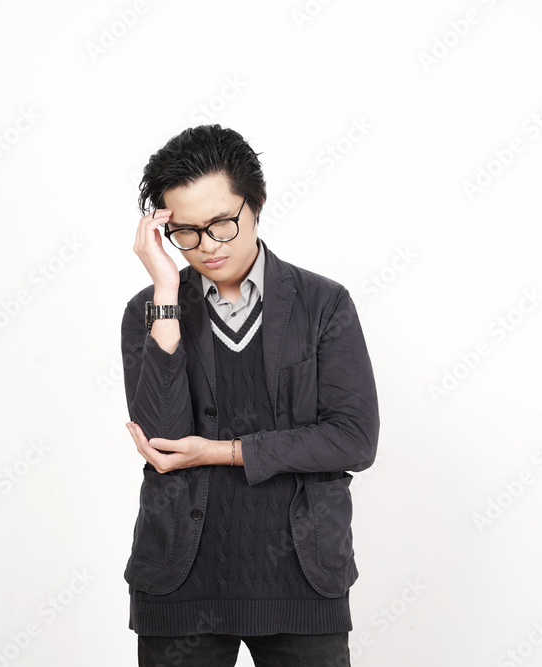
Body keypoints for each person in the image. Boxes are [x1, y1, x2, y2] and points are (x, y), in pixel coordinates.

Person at [121, 124, 379, 667]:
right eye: (185, 233)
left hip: (300, 579)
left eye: (221, 223)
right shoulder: (149, 310)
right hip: (181, 580)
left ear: (255, 206)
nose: (207, 246)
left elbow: (353, 440)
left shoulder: (323, 304)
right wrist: (166, 294)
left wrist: (223, 451)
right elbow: (164, 442)